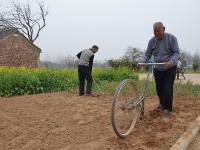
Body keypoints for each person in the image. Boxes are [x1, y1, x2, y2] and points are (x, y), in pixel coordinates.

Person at [140, 22, 180, 116]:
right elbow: (148, 54)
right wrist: (143, 62)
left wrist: (171, 62)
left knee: (168, 88)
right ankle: (162, 103)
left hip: (169, 68)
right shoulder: (152, 41)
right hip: (158, 68)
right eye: (155, 31)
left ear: (164, 29)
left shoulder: (172, 38)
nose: (157, 33)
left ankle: (167, 109)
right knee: (159, 89)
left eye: (159, 31)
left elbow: (177, 53)